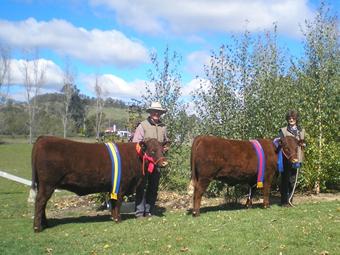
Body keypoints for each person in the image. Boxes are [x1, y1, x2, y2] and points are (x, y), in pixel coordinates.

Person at [132, 102, 169, 218]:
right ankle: (139, 212)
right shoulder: (142, 125)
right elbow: (135, 143)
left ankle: (149, 211)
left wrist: (165, 148)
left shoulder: (163, 127)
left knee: (153, 186)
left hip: (157, 163)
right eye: (154, 111)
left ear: (161, 114)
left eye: (159, 112)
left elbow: (165, 141)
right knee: (141, 186)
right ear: (150, 112)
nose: (156, 113)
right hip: (143, 163)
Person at [279, 110, 306, 207]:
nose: (291, 120)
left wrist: (304, 144)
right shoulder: (283, 130)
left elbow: (303, 142)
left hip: (297, 157)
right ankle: (283, 201)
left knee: (292, 180)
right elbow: (280, 143)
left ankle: (290, 200)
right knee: (285, 180)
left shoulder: (301, 130)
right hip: (286, 159)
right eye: (289, 118)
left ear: (296, 119)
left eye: (293, 118)